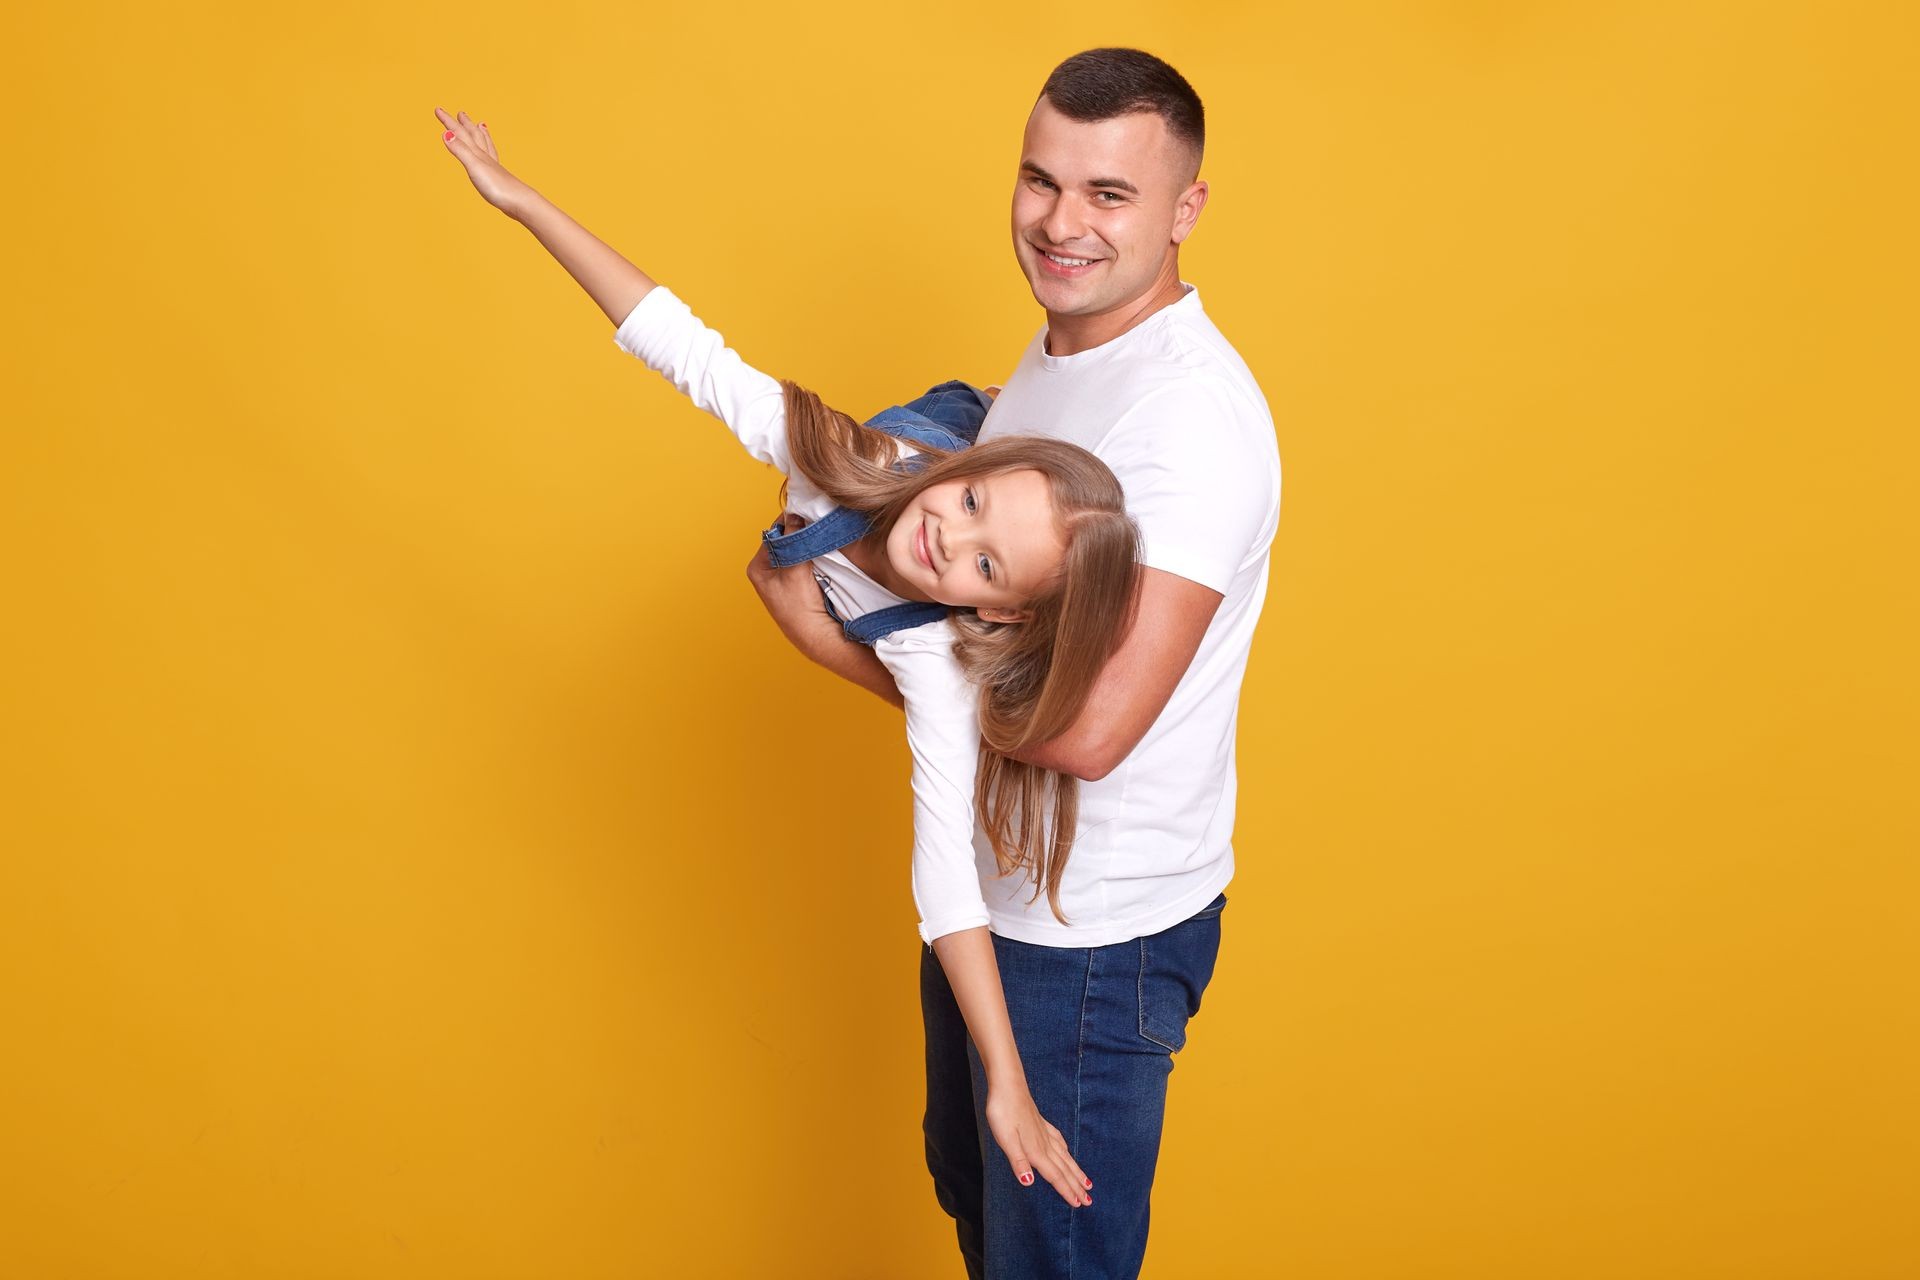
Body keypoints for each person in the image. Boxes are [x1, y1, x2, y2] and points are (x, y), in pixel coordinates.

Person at [433, 104, 1140, 1212]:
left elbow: (947, 886)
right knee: (942, 443)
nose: (943, 537)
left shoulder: (941, 670)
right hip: (953, 425)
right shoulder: (853, 462)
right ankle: (995, 439)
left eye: (987, 567)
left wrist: (1006, 1081)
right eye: (967, 503)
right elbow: (680, 343)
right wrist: (520, 200)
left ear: (994, 619)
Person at [745, 49, 1282, 1279]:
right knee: (984, 1212)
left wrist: (838, 638)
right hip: (1002, 903)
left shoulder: (1188, 423)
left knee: (1050, 1257)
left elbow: (1088, 730)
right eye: (1041, 180)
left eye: (1108, 193)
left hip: (1093, 939)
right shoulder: (1065, 357)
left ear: (1185, 211)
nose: (1060, 222)